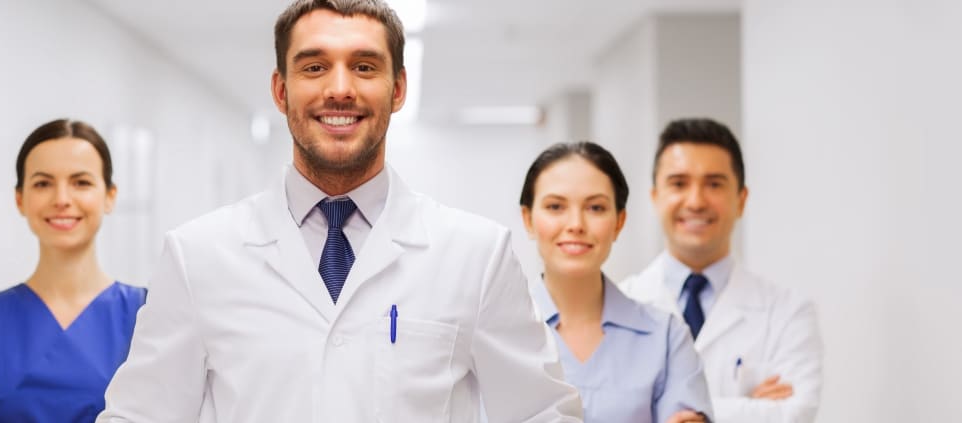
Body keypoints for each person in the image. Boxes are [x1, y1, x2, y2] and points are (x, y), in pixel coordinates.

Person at [97, 1, 582, 422]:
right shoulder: (198, 255)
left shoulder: (476, 255)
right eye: (314, 67)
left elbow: (542, 414)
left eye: (365, 67)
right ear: (281, 90)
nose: (340, 88)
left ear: (397, 90)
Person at [0, 119, 147, 423]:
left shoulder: (148, 314)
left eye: (81, 182)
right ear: (20, 199)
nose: (62, 199)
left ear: (109, 196)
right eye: (43, 183)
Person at [618, 118, 823, 422]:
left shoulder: (788, 311)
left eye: (714, 184)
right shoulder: (618, 304)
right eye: (678, 184)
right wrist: (746, 409)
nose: (696, 201)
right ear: (655, 198)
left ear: (741, 200)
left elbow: (796, 413)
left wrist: (662, 407)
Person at [520, 142, 713, 423]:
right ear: (528, 219)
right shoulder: (497, 331)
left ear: (619, 222)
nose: (576, 224)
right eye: (555, 206)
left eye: (595, 207)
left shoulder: (666, 337)